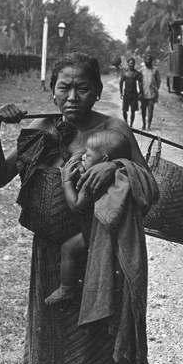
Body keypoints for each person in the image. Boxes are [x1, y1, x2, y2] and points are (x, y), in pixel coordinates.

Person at [0, 52, 159, 364]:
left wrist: (116, 167)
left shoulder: (114, 131)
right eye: (63, 87)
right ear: (51, 89)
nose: (72, 96)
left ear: (99, 91)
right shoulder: (40, 132)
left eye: (82, 87)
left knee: (97, 339)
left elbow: (149, 184)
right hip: (49, 256)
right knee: (50, 343)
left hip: (99, 251)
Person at [45, 130, 132, 305]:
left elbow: (76, 205)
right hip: (110, 231)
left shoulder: (93, 180)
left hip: (94, 232)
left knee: (68, 248)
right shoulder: (117, 176)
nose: (83, 157)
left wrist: (66, 181)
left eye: (88, 155)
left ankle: (66, 288)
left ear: (105, 160)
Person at [139, 53, 161, 130]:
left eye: (149, 60)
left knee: (151, 110)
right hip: (143, 94)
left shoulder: (155, 70)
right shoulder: (141, 70)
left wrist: (155, 89)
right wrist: (140, 91)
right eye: (146, 60)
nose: (148, 61)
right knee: (143, 110)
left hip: (152, 94)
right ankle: (144, 124)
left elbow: (158, 81)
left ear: (151, 61)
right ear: (144, 61)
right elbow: (139, 81)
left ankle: (149, 125)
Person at [119, 58, 142, 127]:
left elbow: (140, 82)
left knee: (133, 111)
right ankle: (126, 123)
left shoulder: (136, 73)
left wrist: (140, 92)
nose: (131, 65)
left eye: (133, 63)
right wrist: (121, 92)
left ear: (134, 64)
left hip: (134, 94)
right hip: (126, 93)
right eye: (130, 63)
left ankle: (131, 125)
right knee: (124, 110)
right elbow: (121, 82)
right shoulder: (125, 72)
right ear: (128, 63)